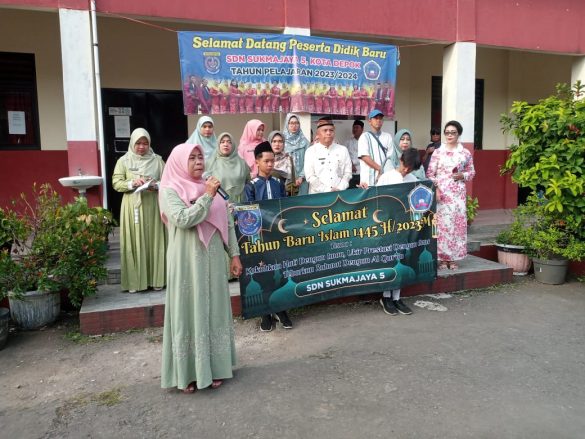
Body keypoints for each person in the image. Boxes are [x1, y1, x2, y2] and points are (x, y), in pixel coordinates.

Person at [159, 143, 243, 393]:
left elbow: (227, 221)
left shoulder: (209, 185)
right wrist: (207, 196)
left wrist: (234, 255)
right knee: (189, 310)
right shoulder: (169, 189)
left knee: (214, 309)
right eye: (192, 158)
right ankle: (188, 373)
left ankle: (214, 367)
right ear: (179, 162)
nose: (198, 162)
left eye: (200, 157)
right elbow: (183, 219)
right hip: (187, 262)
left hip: (214, 260)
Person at [244, 141, 293, 332]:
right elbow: (247, 214)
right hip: (260, 238)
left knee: (280, 271)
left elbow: (285, 208)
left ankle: (281, 310)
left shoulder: (278, 183)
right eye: (266, 161)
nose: (271, 164)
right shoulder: (251, 186)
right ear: (257, 162)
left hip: (278, 236)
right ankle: (265, 312)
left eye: (273, 161)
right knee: (263, 273)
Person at [367, 148, 421, 316]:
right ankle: (386, 297)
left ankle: (397, 297)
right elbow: (375, 199)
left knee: (401, 258)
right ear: (400, 159)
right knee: (388, 259)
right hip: (387, 226)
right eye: (406, 166)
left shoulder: (413, 180)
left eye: (410, 169)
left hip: (404, 227)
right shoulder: (387, 177)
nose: (406, 170)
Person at [112, 128, 166, 293]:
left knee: (155, 240)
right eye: (138, 143)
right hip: (133, 207)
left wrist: (155, 185)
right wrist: (133, 183)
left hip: (153, 206)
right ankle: (135, 282)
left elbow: (168, 182)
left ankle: (157, 279)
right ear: (132, 143)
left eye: (145, 143)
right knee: (134, 241)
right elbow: (116, 183)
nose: (142, 147)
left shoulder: (158, 161)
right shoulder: (124, 161)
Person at [426, 120, 475, 270]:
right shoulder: (438, 152)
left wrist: (463, 175)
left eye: (453, 132)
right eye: (447, 132)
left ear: (458, 134)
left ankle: (453, 258)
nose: (450, 135)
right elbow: (430, 174)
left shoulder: (465, 153)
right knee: (443, 226)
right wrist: (436, 189)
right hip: (442, 194)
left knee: (457, 225)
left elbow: (472, 172)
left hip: (458, 195)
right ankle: (442, 259)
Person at [303, 118, 352, 194]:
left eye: (331, 130)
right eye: (325, 130)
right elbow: (310, 176)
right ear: (318, 134)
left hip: (339, 194)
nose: (328, 133)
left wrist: (340, 188)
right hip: (318, 195)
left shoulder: (343, 150)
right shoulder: (311, 151)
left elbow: (348, 173)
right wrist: (327, 190)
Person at [206, 132, 250, 203]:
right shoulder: (211, 163)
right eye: (222, 142)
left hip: (240, 203)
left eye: (229, 142)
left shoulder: (242, 163)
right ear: (218, 145)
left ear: (233, 145)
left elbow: (249, 183)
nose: (225, 144)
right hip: (219, 204)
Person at [358, 109, 395, 186]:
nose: (378, 120)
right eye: (376, 118)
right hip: (367, 180)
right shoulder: (364, 136)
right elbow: (365, 157)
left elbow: (390, 158)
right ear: (369, 121)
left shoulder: (388, 136)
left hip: (384, 178)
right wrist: (380, 169)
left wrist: (383, 171)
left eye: (380, 118)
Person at [282, 113, 309, 195]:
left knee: (302, 201)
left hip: (302, 180)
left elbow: (308, 161)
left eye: (296, 123)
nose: (294, 126)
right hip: (286, 180)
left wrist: (301, 177)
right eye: (291, 123)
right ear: (287, 124)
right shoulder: (282, 142)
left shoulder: (305, 142)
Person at [345, 119, 364, 187]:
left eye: (357, 127)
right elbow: (345, 156)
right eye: (353, 127)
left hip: (363, 172)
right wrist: (351, 164)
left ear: (362, 129)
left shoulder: (366, 142)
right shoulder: (347, 142)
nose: (354, 129)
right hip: (351, 173)